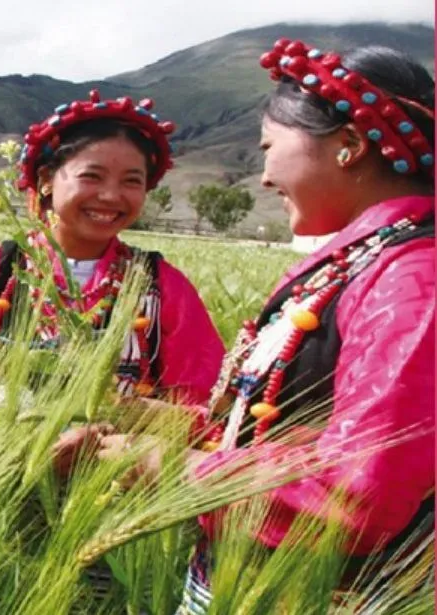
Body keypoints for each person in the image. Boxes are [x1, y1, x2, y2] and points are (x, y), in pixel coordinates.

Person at [59, 42, 435, 612]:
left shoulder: (411, 279)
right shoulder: (367, 264)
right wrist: (143, 421)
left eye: (270, 148)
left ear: (350, 147)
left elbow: (361, 492)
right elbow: (283, 426)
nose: (262, 177)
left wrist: (156, 463)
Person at [0, 90, 224, 405]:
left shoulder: (162, 287)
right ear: (46, 178)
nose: (111, 196)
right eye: (92, 176)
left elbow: (202, 401)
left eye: (131, 181)